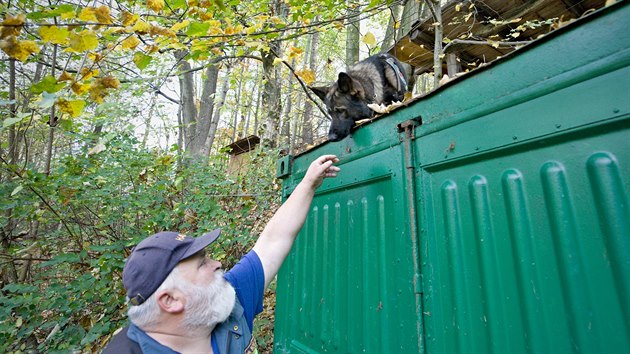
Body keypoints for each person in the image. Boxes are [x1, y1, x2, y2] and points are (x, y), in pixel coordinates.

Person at [103, 155, 340, 354]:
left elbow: (273, 241)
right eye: (202, 263)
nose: (217, 263)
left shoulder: (227, 300)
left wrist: (308, 184)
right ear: (170, 300)